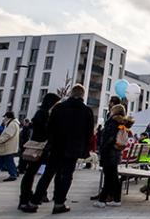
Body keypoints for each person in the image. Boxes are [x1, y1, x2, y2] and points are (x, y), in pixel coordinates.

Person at [30, 84, 94, 214]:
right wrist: (84, 149)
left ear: (71, 94)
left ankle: (34, 202)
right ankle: (59, 203)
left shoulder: (59, 108)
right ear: (82, 95)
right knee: (66, 176)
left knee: (48, 175)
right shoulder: (87, 111)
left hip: (56, 147)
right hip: (73, 149)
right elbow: (89, 133)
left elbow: (50, 127)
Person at [19, 93, 61, 212]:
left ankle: (30, 197)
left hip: (41, 147)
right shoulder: (43, 114)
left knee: (33, 173)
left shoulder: (42, 113)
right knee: (35, 173)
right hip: (40, 148)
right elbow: (47, 130)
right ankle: (28, 198)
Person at [94, 104, 134, 208]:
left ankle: (102, 200)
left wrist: (103, 149)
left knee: (109, 177)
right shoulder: (123, 123)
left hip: (109, 152)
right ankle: (116, 199)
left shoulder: (112, 122)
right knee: (114, 177)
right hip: (117, 151)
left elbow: (108, 138)